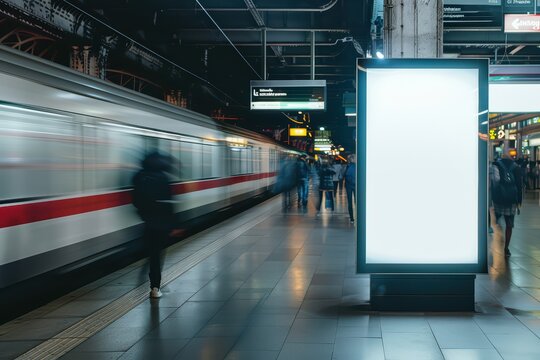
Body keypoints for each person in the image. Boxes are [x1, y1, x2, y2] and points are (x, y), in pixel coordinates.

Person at [132, 152, 178, 298]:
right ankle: (155, 288)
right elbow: (169, 203)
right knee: (158, 255)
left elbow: (135, 200)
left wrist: (144, 214)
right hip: (161, 224)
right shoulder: (163, 177)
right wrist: (175, 224)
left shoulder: (139, 176)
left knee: (153, 254)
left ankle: (150, 279)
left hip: (147, 222)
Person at [491, 152, 522, 257]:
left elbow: (495, 181)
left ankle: (499, 237)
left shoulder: (496, 165)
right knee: (509, 224)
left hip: (499, 198)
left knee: (497, 220)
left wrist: (493, 196)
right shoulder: (516, 167)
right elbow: (519, 185)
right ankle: (506, 248)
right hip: (511, 199)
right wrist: (519, 201)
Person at [344, 154, 356, 223]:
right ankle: (357, 216)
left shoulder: (347, 166)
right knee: (356, 202)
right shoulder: (357, 166)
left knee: (350, 202)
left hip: (348, 186)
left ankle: (352, 218)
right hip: (355, 185)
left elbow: (344, 175)